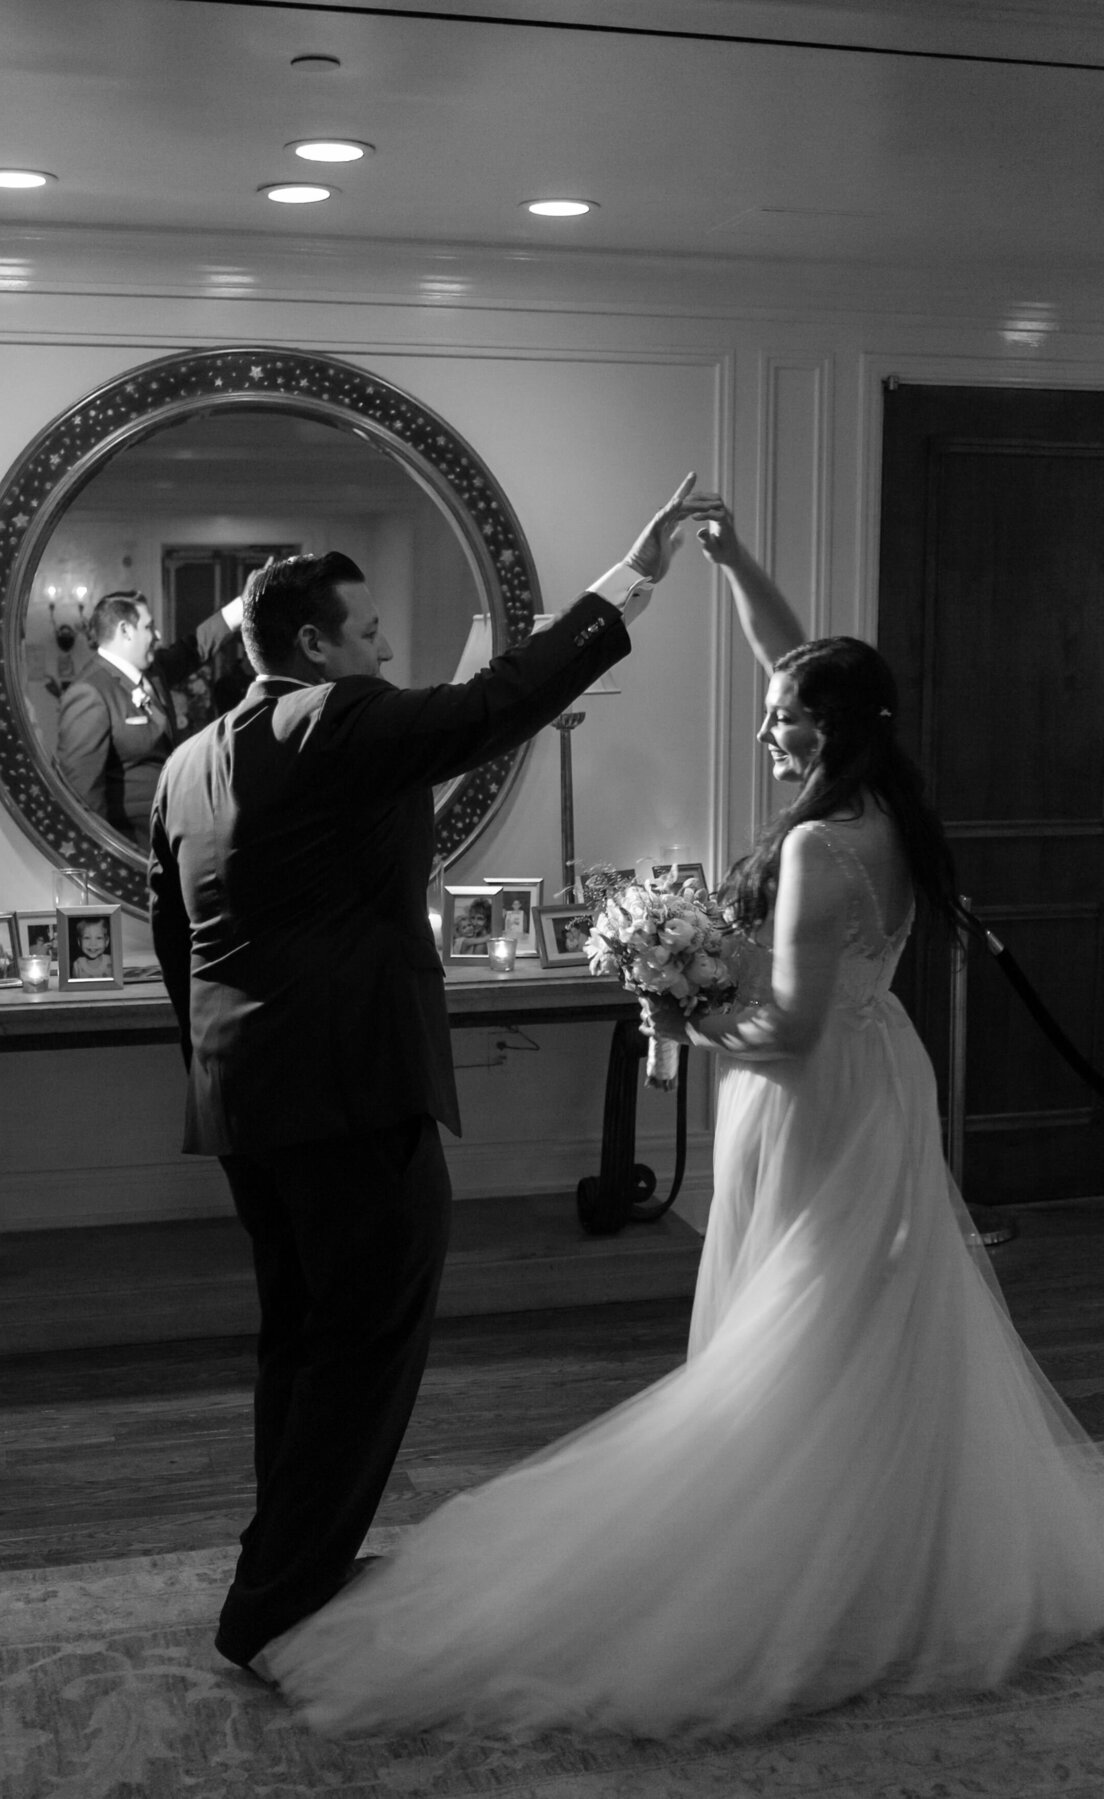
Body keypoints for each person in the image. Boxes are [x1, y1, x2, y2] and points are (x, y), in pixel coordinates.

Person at [261, 500, 1104, 1737]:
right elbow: (796, 662)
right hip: (881, 1078)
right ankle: (875, 1530)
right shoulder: (884, 799)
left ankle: (801, 1547)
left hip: (816, 1095)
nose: (765, 729)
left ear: (831, 735)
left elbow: (793, 1027)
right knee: (869, 1309)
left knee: (807, 1318)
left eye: (783, 723)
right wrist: (725, 554)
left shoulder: (823, 848)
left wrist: (679, 1012)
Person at [147, 474, 713, 1678]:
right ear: (315, 646)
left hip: (246, 1093)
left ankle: (281, 1558)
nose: (387, 649)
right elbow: (493, 706)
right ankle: (277, 1603)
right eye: (370, 633)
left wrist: (220, 1065)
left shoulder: (191, 760)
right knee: (365, 1342)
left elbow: (170, 942)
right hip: (353, 1091)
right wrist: (631, 583)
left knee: (301, 1340)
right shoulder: (330, 720)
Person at [57, 587, 243, 853]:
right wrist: (109, 859)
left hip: (167, 839)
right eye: (149, 627)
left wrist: (241, 607)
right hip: (131, 846)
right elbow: (82, 797)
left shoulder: (153, 673)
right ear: (125, 630)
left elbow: (193, 648)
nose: (157, 636)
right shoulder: (89, 693)